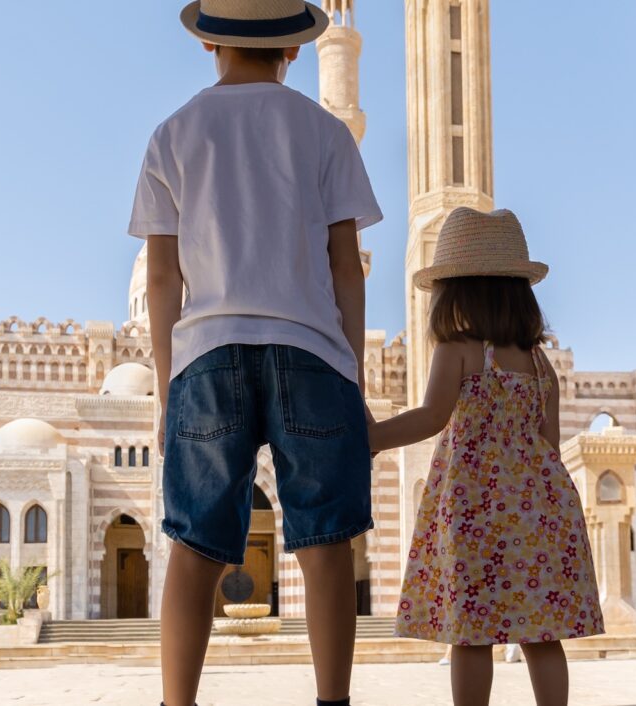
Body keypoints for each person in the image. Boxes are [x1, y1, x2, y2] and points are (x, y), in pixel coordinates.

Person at [130, 2, 382, 705]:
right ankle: (333, 699)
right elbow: (345, 266)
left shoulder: (172, 134)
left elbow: (160, 278)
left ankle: (177, 701)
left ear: (208, 39)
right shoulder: (326, 132)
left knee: (196, 543)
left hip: (207, 355)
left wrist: (164, 387)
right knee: (325, 541)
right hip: (312, 352)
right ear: (296, 51)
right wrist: (351, 373)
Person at [368, 208, 605, 706]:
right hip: (540, 510)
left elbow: (432, 416)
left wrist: (373, 437)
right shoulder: (541, 364)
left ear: (457, 292)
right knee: (542, 633)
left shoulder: (457, 350)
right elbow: (550, 444)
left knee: (471, 632)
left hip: (476, 510)